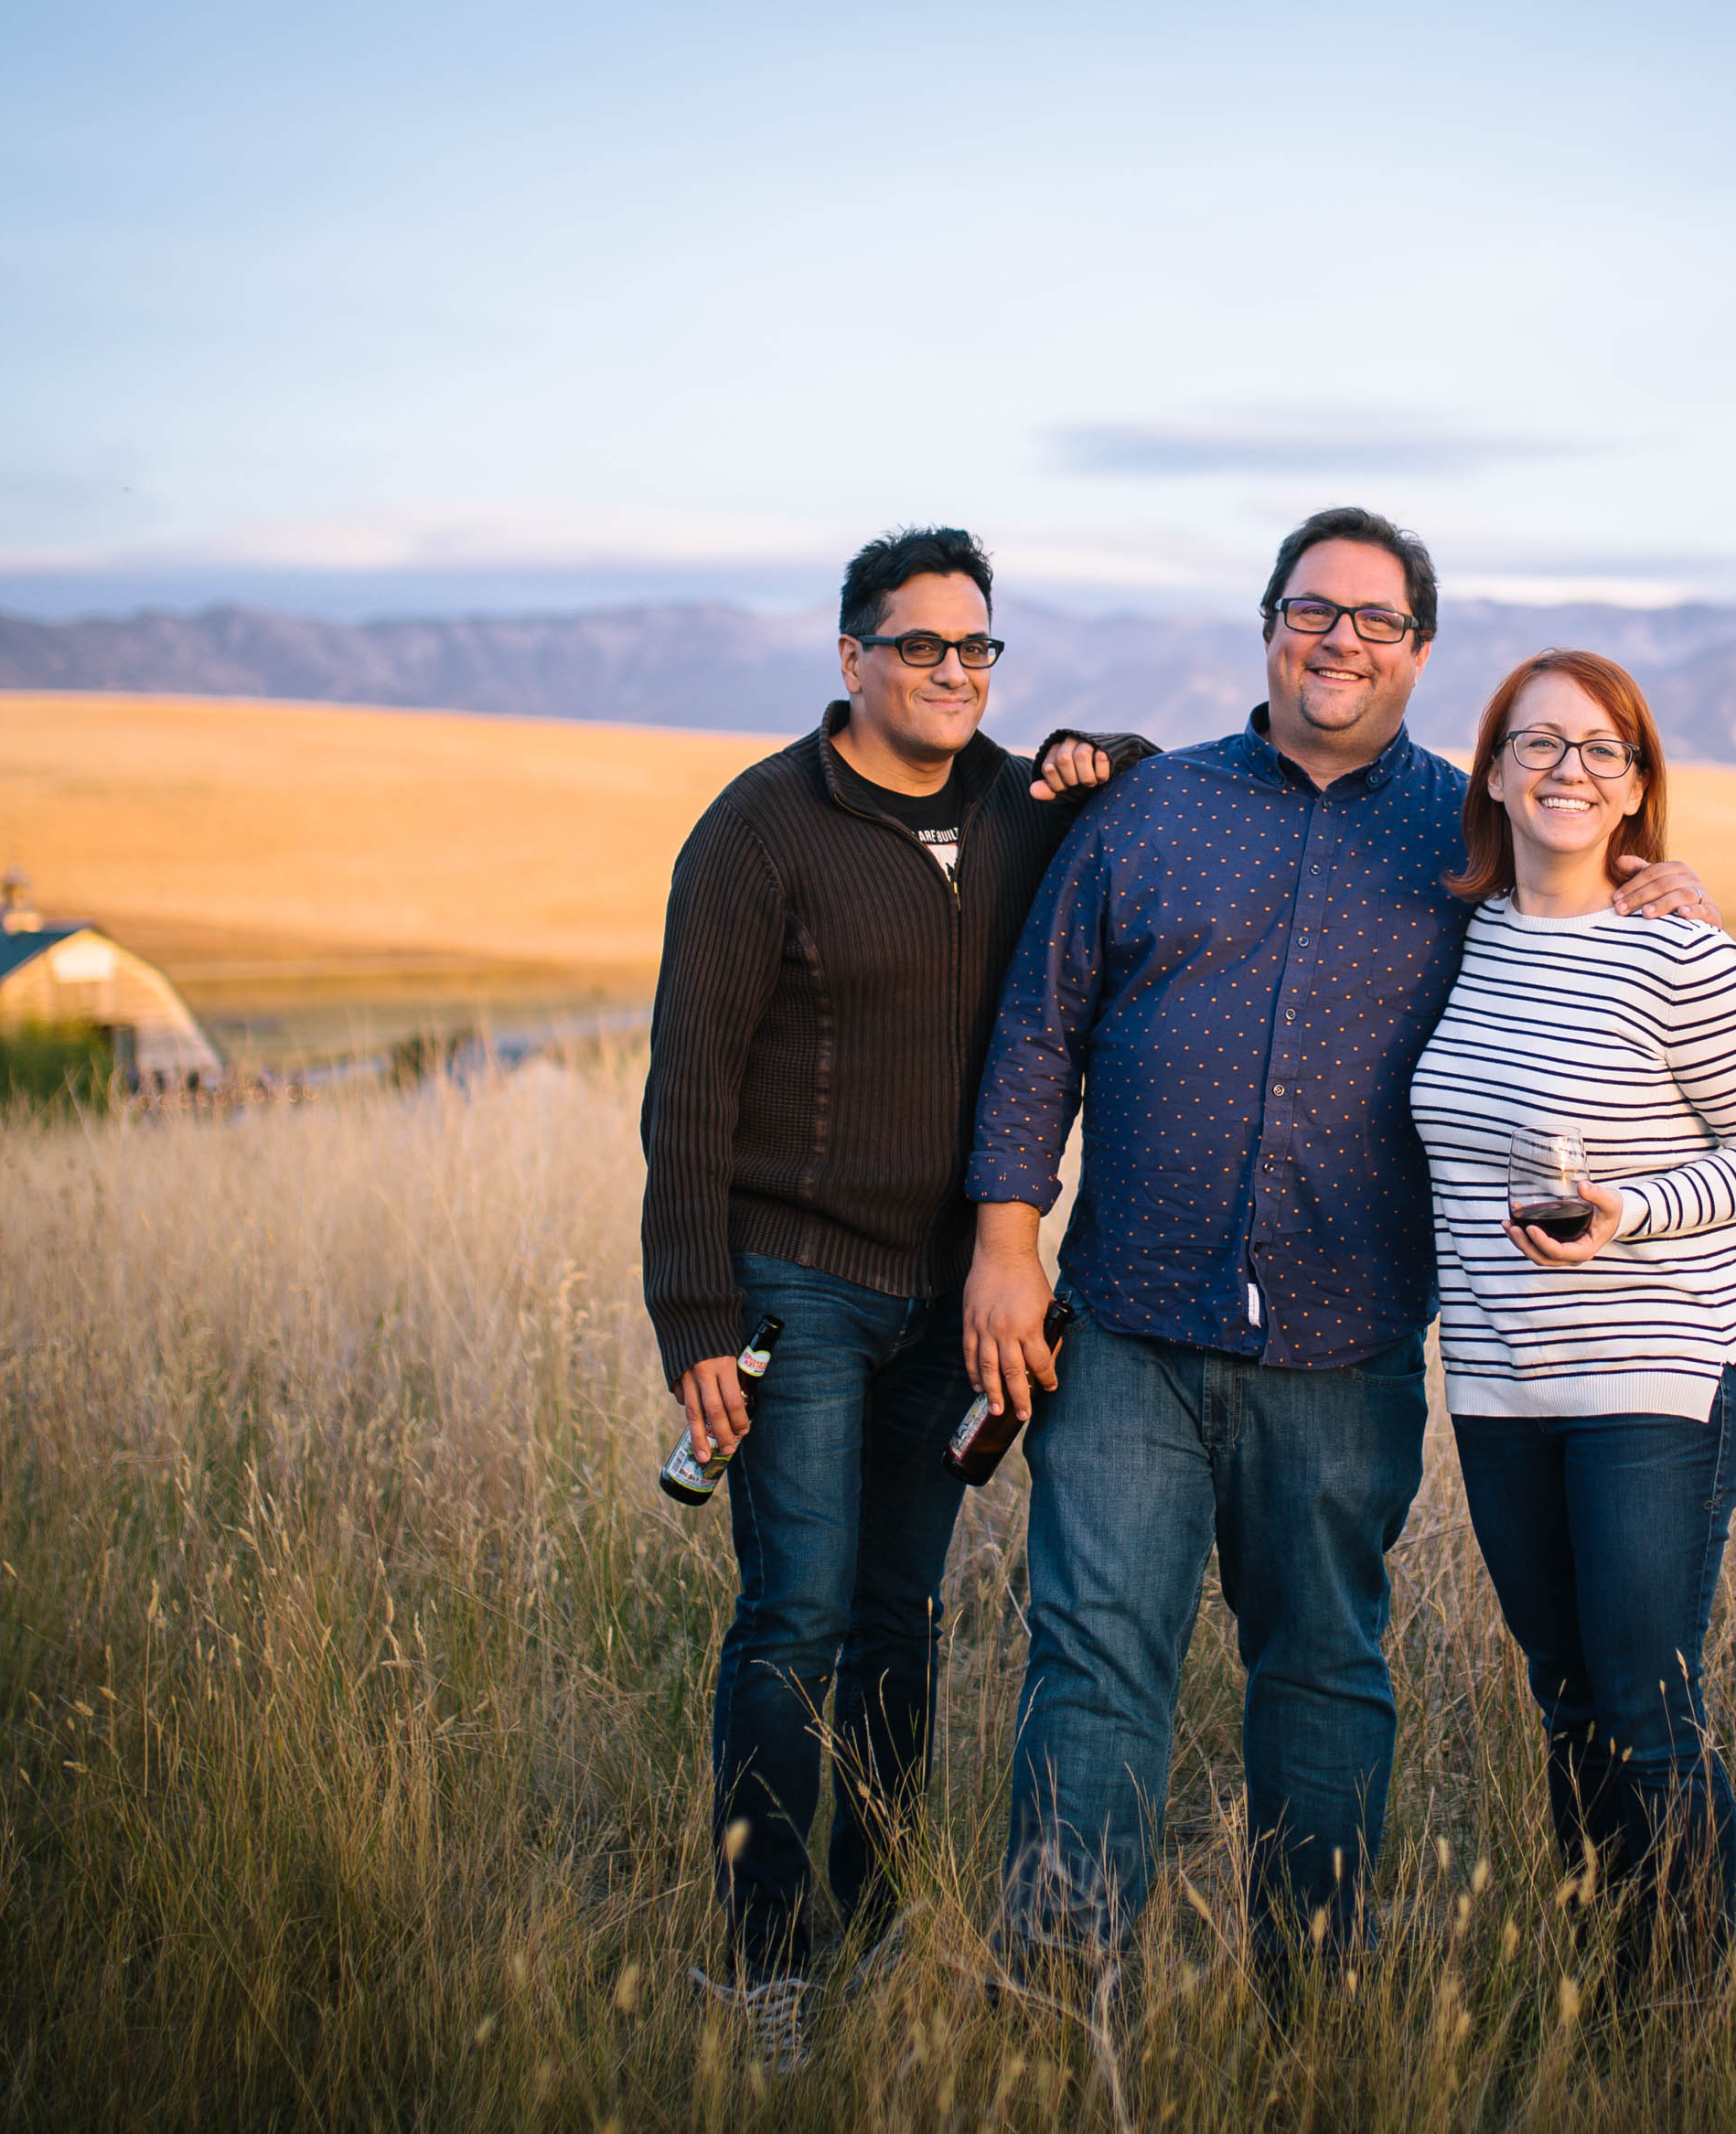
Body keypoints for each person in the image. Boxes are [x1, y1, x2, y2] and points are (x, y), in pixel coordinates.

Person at [962, 508, 1721, 1969]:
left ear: (1422, 654)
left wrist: (1652, 884)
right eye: (1316, 610)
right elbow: (1038, 1029)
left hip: (1346, 1335)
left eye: (1378, 622)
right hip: (1125, 1324)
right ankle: (1058, 2007)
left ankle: (1315, 2003)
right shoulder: (1151, 809)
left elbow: (1590, 907)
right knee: (1094, 1661)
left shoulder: (1473, 835)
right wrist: (1008, 1246)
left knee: (1320, 1670)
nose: (1342, 641)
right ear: (1267, 627)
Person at [638, 527, 1149, 2046]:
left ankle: (865, 1926)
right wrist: (696, 1316)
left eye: (977, 648)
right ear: (849, 654)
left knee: (900, 1618)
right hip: (798, 1285)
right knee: (794, 1613)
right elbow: (690, 1090)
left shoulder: (1013, 804)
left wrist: (1095, 748)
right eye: (919, 646)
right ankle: (763, 1960)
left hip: (957, 1297)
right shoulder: (760, 829)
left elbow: (1153, 782)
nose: (951, 673)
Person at [1407, 649, 1736, 1980]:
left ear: (1637, 785)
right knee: (1568, 1703)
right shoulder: (1456, 936)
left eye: (1602, 750)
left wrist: (1630, 1209)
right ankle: (1605, 1985)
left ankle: (1682, 2017)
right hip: (1502, 1386)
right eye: (1540, 745)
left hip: (1661, 1378)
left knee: (1646, 1705)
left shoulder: (1677, 951)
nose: (1568, 771)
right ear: (1492, 771)